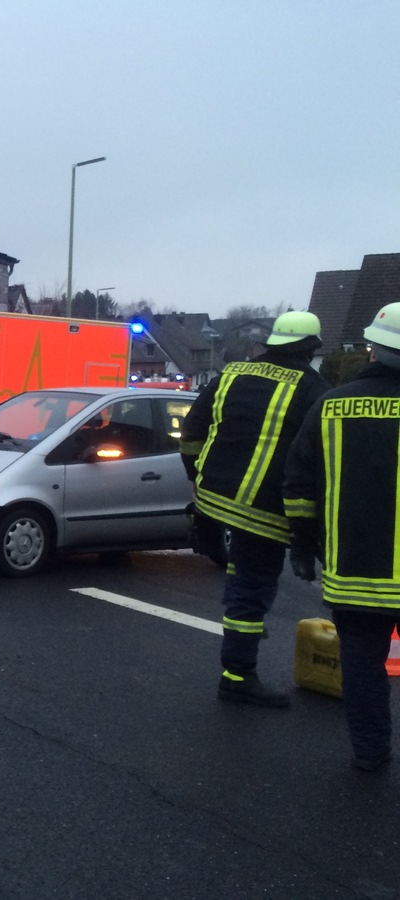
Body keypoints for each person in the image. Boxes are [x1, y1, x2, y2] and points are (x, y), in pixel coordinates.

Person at [180, 310, 328, 707]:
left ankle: (241, 642)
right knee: (252, 587)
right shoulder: (314, 389)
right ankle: (238, 675)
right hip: (264, 510)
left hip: (212, 499)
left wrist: (195, 475)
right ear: (310, 349)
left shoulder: (228, 375)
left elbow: (191, 432)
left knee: (239, 574)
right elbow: (314, 463)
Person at [285, 302, 400, 770]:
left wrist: (302, 545)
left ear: (372, 347)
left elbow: (298, 484)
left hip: (354, 569)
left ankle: (371, 752)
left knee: (363, 666)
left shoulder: (330, 405)